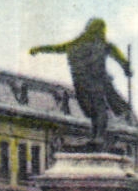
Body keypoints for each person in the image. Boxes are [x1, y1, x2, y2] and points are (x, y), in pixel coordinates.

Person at [29, 18, 131, 149]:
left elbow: (56, 48)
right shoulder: (103, 45)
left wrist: (38, 49)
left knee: (93, 111)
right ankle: (98, 136)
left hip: (81, 84)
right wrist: (126, 68)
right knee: (99, 110)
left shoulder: (76, 44)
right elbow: (119, 58)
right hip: (96, 82)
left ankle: (97, 137)